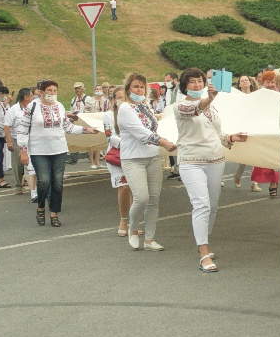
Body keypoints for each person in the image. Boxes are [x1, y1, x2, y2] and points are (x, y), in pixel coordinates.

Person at [174, 69, 247, 272]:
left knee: (212, 206)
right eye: (192, 82)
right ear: (184, 86)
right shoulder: (180, 106)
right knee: (201, 205)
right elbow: (195, 109)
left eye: (200, 81)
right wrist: (209, 98)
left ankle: (203, 241)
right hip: (191, 161)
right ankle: (204, 252)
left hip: (215, 159)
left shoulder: (211, 106)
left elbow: (215, 132)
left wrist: (230, 137)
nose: (197, 85)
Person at [17, 79, 101, 228]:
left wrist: (86, 130)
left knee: (57, 182)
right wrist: (23, 150)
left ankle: (54, 212)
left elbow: (68, 127)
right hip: (38, 150)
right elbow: (23, 129)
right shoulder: (33, 106)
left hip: (59, 149)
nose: (52, 93)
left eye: (55, 91)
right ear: (41, 92)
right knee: (44, 181)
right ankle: (41, 206)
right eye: (49, 91)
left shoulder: (60, 106)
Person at [119, 73, 179, 252]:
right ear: (128, 89)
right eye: (135, 86)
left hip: (153, 156)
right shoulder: (125, 108)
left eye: (142, 87)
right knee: (141, 197)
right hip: (133, 158)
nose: (139, 90)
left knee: (154, 199)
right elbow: (140, 132)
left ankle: (150, 238)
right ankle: (133, 229)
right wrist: (164, 142)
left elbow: (155, 128)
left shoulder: (146, 107)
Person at [103, 86, 133, 236]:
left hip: (134, 155)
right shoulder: (108, 116)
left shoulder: (134, 113)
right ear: (114, 99)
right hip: (117, 155)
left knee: (135, 189)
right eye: (119, 98)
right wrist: (127, 144)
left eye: (124, 98)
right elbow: (110, 136)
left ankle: (134, 222)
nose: (122, 101)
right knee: (124, 187)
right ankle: (123, 219)